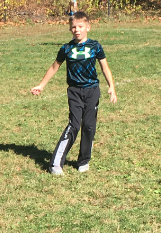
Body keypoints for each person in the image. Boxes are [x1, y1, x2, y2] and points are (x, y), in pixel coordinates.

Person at [31, 12, 117, 175]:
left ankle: (83, 161)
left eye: (80, 26)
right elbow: (54, 67)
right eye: (73, 27)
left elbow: (105, 67)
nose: (77, 30)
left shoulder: (95, 46)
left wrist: (111, 86)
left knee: (89, 127)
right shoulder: (66, 48)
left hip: (92, 91)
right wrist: (42, 85)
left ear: (88, 27)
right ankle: (56, 164)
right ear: (70, 29)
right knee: (74, 125)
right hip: (74, 92)